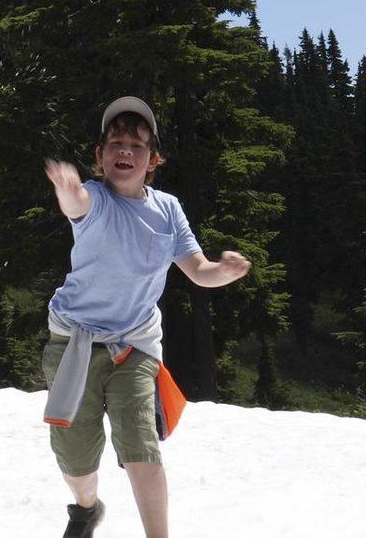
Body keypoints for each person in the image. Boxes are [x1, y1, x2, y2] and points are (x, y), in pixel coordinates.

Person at [41, 96, 251, 538]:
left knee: (142, 448)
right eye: (115, 142)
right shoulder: (95, 198)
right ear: (99, 157)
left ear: (153, 160)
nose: (125, 151)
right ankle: (86, 507)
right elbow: (76, 205)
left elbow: (198, 270)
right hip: (72, 344)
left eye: (137, 145)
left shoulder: (168, 210)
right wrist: (66, 187)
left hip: (133, 347)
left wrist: (224, 271)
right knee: (76, 458)